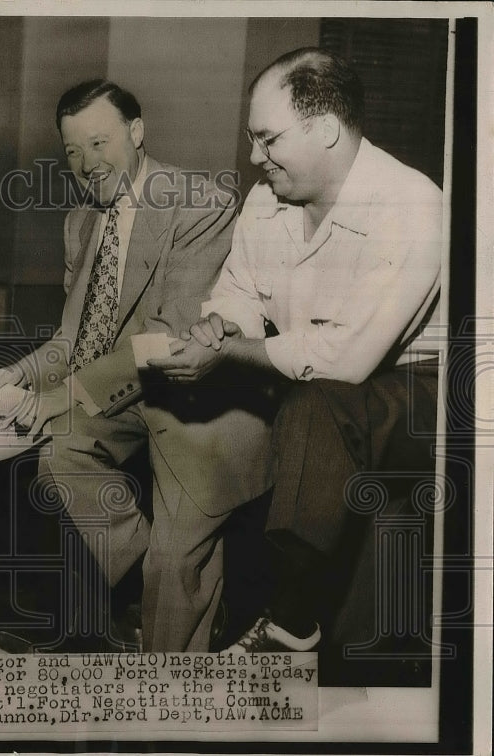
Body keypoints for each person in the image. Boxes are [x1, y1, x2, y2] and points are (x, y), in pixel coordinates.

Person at [149, 48, 442, 652]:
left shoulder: (413, 205)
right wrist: (217, 329)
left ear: (326, 129)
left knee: (315, 407)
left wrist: (234, 352)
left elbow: (348, 360)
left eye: (267, 138)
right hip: (316, 387)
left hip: (426, 395)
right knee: (303, 409)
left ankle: (288, 624)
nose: (255, 157)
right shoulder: (267, 200)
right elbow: (235, 292)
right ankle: (271, 618)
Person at [0, 80, 273, 651]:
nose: (87, 163)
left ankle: (171, 614)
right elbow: (73, 338)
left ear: (137, 132)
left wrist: (62, 396)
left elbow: (169, 338)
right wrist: (16, 376)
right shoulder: (81, 222)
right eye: (73, 151)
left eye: (100, 143)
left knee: (175, 565)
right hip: (123, 393)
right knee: (56, 453)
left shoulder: (200, 204)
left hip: (199, 403)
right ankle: (150, 580)